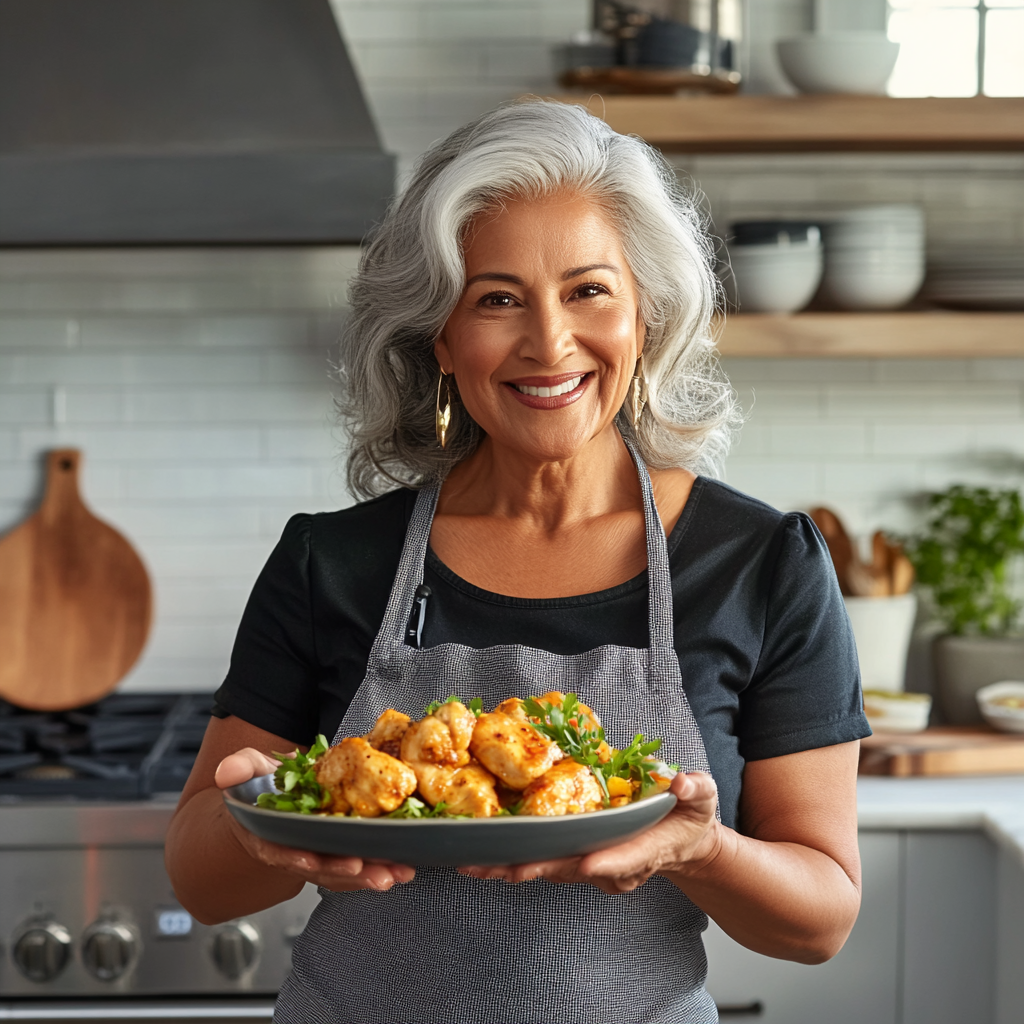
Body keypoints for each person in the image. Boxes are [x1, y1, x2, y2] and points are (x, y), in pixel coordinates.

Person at [165, 99, 870, 1024]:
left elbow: (819, 921)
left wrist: (697, 851)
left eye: (588, 291)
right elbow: (201, 881)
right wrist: (266, 829)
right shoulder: (330, 562)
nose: (549, 342)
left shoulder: (761, 565)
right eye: (497, 298)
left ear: (645, 317)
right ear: (442, 341)